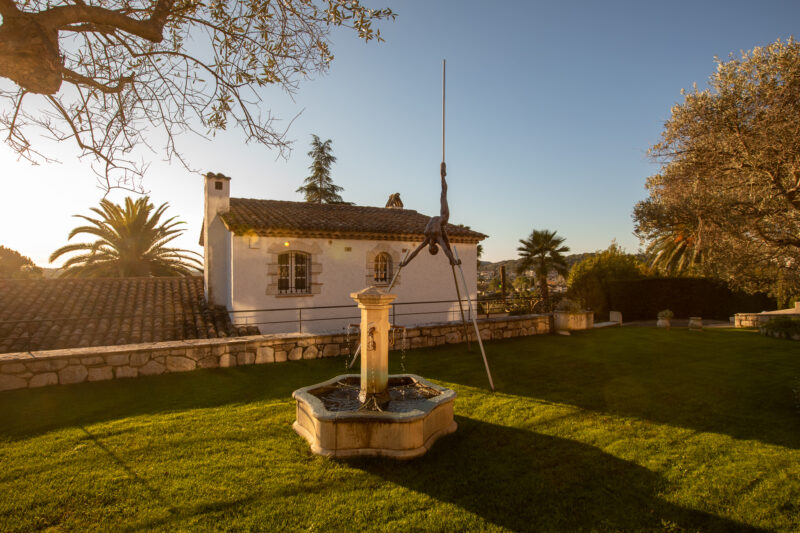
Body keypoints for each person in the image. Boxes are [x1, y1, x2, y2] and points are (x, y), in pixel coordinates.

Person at [400, 162, 461, 267]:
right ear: (435, 246)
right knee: (443, 195)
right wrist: (453, 260)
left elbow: (416, 252)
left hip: (438, 220)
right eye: (433, 248)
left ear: (429, 246)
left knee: (443, 195)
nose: (431, 246)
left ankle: (442, 175)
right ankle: (443, 176)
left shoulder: (427, 240)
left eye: (430, 248)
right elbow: (446, 249)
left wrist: (405, 263)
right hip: (443, 218)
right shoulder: (437, 238)